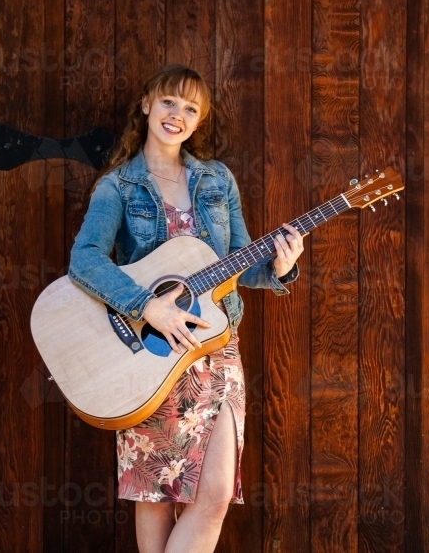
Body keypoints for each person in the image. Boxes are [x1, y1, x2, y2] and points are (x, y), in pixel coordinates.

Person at [67, 64, 304, 553]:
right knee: (156, 495)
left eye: (191, 109)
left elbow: (238, 264)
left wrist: (279, 268)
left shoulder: (217, 181)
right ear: (147, 105)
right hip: (150, 354)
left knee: (214, 495)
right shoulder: (119, 186)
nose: (177, 115)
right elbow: (85, 260)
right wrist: (147, 306)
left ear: (200, 121)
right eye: (169, 102)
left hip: (216, 351)